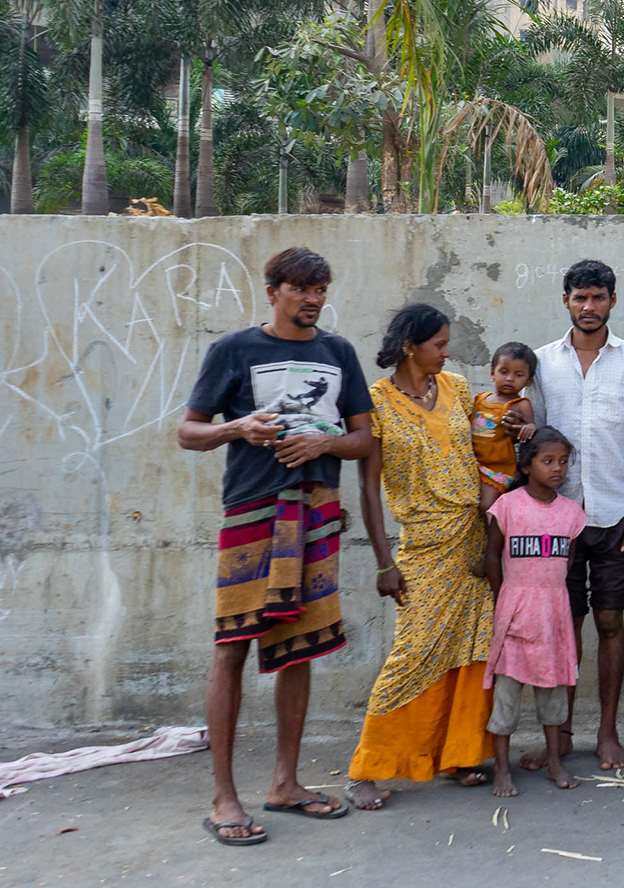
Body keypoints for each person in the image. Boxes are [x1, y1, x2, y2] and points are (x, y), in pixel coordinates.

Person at [179, 246, 373, 844]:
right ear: (273, 292)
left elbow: (364, 439)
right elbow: (188, 431)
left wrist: (324, 444)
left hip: (316, 511)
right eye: (301, 289)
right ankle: (223, 797)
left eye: (321, 289)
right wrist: (238, 427)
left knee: (300, 647)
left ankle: (285, 783)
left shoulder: (338, 352)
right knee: (231, 646)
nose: (313, 299)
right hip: (252, 511)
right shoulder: (234, 350)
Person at [343, 305, 499, 811]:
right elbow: (368, 489)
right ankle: (368, 768)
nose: (446, 352)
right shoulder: (377, 402)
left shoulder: (457, 388)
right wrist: (384, 563)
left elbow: (487, 449)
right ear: (410, 346)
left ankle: (461, 755)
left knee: (473, 647)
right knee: (415, 652)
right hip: (424, 545)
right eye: (438, 344)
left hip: (472, 540)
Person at [530, 259, 624, 773]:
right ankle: (559, 735)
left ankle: (607, 732)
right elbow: (533, 441)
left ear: (612, 301)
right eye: (580, 297)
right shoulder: (542, 363)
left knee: (609, 621)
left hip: (613, 515)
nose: (589, 306)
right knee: (564, 625)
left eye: (598, 297)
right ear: (565, 300)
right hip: (555, 518)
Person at [484, 426, 589, 797]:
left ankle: (555, 761)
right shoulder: (507, 507)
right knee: (506, 698)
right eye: (548, 461)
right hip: (515, 611)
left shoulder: (571, 513)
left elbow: (567, 562)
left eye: (563, 461)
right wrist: (502, 599)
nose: (557, 468)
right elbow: (492, 557)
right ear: (527, 466)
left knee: (553, 693)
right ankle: (502, 769)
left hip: (553, 613)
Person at [471, 342, 539, 512]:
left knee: (487, 506)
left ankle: (496, 530)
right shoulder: (480, 399)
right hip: (472, 464)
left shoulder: (520, 404)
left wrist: (530, 428)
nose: (510, 378)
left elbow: (530, 429)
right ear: (492, 373)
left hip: (498, 468)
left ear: (528, 381)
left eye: (518, 375)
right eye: (504, 372)